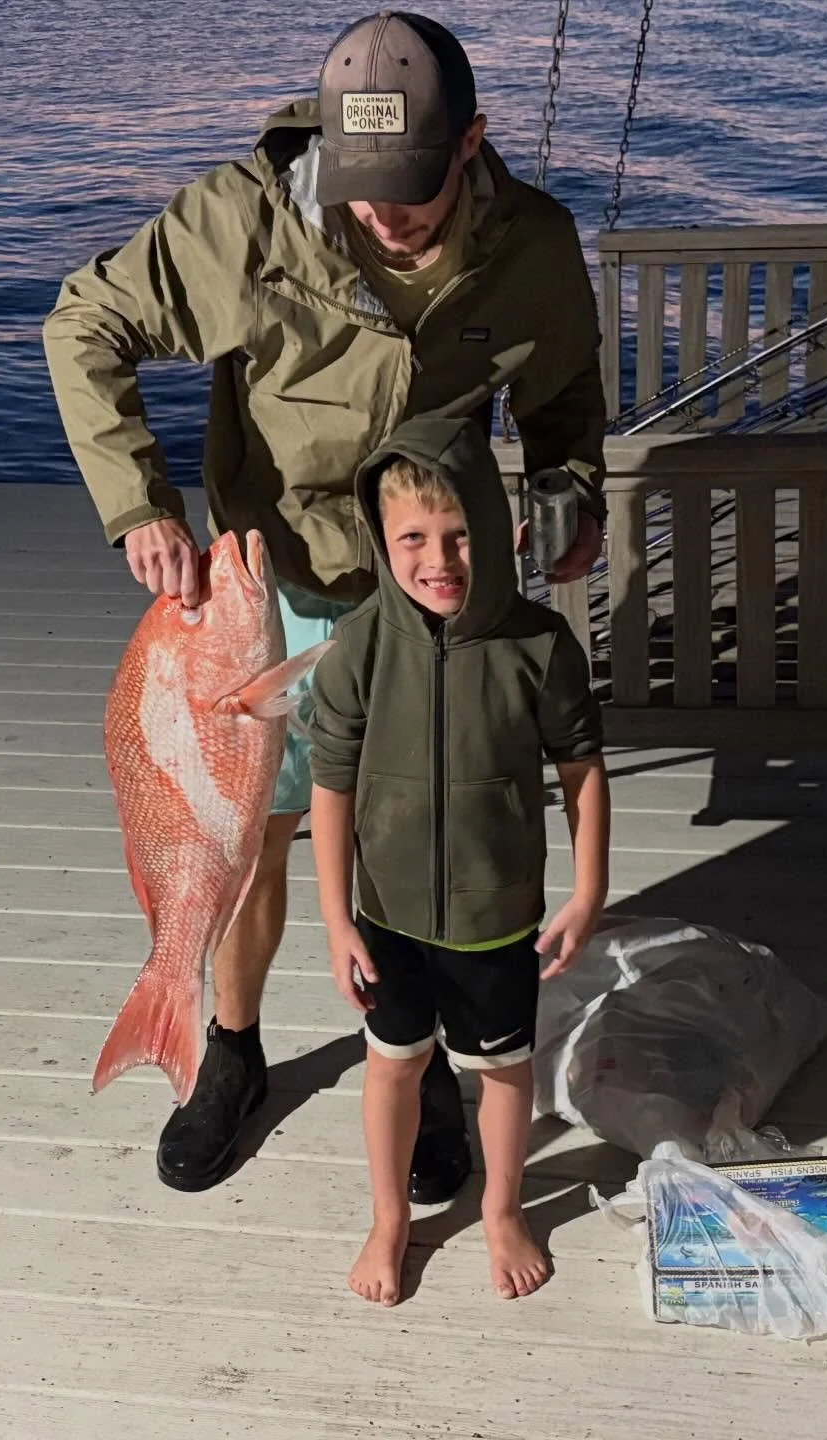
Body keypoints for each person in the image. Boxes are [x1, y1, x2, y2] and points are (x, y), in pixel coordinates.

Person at [43, 10, 607, 1198]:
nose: (383, 213)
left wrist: (570, 495)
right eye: (362, 186)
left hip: (429, 592)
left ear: (470, 144)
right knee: (256, 837)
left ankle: (427, 1061)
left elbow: (563, 404)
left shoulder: (536, 246)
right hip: (277, 582)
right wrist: (140, 506)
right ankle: (231, 1049)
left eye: (412, 187)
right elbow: (85, 323)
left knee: (417, 840)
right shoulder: (244, 221)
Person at [308, 415, 610, 1304]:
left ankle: (503, 1210)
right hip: (388, 916)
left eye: (460, 535)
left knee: (503, 1069)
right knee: (393, 1062)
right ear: (381, 538)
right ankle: (389, 1220)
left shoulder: (539, 645)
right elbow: (331, 786)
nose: (438, 559)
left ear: (499, 529)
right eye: (412, 539)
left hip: (496, 915)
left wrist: (588, 890)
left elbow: (583, 770)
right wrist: (335, 919)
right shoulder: (359, 646)